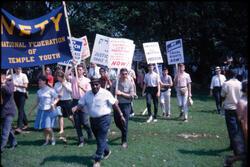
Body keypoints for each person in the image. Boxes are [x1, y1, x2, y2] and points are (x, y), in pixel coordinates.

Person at [72, 77, 125, 167]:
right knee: (99, 139)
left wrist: (121, 115)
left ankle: (97, 160)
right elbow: (81, 104)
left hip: (105, 119)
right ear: (91, 85)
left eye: (96, 84)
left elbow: (115, 104)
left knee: (101, 138)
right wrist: (76, 108)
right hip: (93, 120)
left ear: (100, 84)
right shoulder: (87, 94)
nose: (95, 86)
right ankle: (107, 151)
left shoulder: (106, 93)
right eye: (93, 84)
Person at [221, 70, 246, 166]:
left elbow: (223, 95)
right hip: (239, 108)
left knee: (232, 129)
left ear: (227, 75)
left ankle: (236, 148)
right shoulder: (240, 83)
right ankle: (236, 146)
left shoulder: (226, 84)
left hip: (230, 108)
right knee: (239, 128)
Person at [65, 64, 93, 147]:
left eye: (80, 69)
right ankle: (81, 140)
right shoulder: (73, 79)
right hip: (75, 101)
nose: (79, 71)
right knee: (77, 123)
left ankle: (89, 132)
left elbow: (89, 92)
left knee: (84, 122)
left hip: (84, 101)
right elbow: (66, 75)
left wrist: (81, 86)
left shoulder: (87, 80)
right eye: (78, 70)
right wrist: (73, 66)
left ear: (84, 71)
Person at [29, 75, 59, 146]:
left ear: (44, 82)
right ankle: (46, 140)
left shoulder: (50, 90)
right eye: (38, 81)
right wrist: (31, 110)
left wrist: (53, 103)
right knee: (44, 128)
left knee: (48, 127)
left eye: (40, 81)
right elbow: (37, 102)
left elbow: (57, 98)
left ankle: (53, 139)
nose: (39, 82)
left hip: (49, 110)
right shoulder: (39, 91)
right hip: (41, 111)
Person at [111, 68, 135, 148]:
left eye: (126, 74)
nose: (124, 75)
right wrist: (114, 99)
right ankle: (124, 131)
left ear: (127, 74)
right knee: (117, 121)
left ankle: (124, 141)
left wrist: (121, 93)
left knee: (124, 122)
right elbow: (111, 94)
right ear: (120, 74)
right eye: (123, 74)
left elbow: (131, 96)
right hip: (117, 105)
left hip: (126, 105)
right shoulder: (115, 83)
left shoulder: (130, 83)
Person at [1, 70, 18, 152]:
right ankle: (14, 142)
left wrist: (3, 85)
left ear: (4, 77)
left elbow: (9, 92)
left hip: (9, 110)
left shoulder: (10, 83)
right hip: (2, 111)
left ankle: (1, 147)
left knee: (5, 130)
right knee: (8, 128)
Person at [54, 71, 74, 139]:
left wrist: (65, 86)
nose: (58, 78)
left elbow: (71, 91)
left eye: (59, 77)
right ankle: (61, 129)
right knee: (60, 116)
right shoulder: (56, 84)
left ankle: (74, 123)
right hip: (59, 102)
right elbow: (55, 92)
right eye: (57, 77)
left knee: (69, 116)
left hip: (67, 101)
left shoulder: (68, 83)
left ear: (62, 77)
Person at [12, 67, 29, 133]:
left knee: (20, 110)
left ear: (21, 69)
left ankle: (19, 126)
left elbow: (26, 86)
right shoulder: (12, 75)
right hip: (15, 94)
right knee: (20, 109)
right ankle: (26, 123)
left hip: (22, 94)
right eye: (16, 68)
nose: (17, 70)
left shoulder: (23, 75)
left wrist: (16, 85)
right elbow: (5, 78)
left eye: (18, 69)